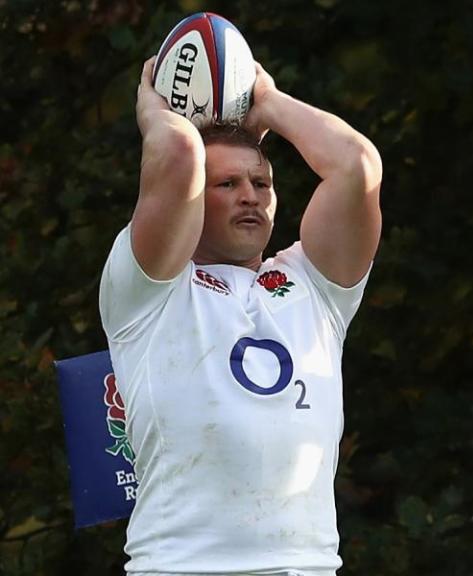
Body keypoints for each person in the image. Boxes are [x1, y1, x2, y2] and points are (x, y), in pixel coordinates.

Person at [99, 55, 382, 575]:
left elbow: (356, 168)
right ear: (190, 200)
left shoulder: (313, 286)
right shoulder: (147, 289)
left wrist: (269, 103)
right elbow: (179, 153)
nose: (250, 196)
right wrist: (153, 107)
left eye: (262, 184)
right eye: (226, 184)